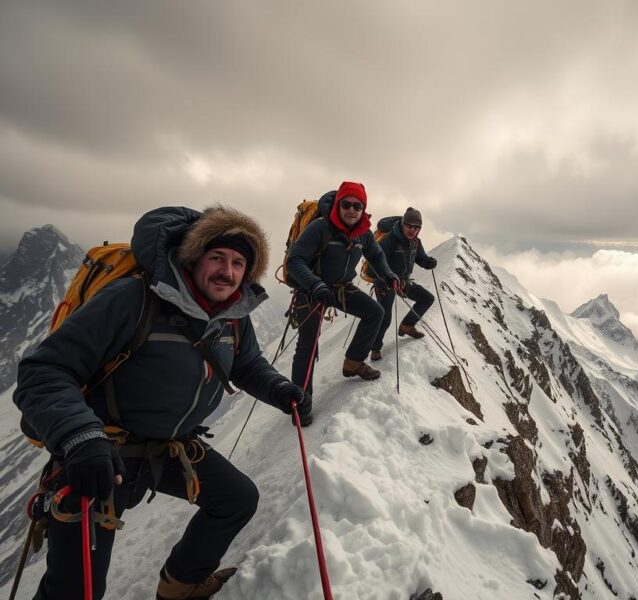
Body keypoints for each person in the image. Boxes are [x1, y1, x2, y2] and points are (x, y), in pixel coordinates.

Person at [14, 205, 311, 600]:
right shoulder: (134, 298)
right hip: (100, 456)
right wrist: (81, 438)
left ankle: (180, 586)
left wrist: (280, 389)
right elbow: (43, 371)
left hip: (170, 451)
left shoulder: (233, 315)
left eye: (239, 262)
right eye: (217, 257)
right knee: (76, 590)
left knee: (236, 499)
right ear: (194, 257)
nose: (228, 271)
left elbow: (247, 363)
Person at [285, 181, 399, 405]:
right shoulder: (320, 227)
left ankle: (353, 363)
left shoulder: (363, 233)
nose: (352, 211)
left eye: (358, 207)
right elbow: (295, 261)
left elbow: (375, 256)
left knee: (374, 312)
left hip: (339, 288)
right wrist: (315, 285)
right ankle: (301, 401)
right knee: (308, 344)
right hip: (311, 289)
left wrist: (388, 275)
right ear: (338, 204)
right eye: (346, 204)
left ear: (363, 209)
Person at [365, 207, 438, 361]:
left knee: (427, 298)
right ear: (403, 224)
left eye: (416, 227)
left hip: (402, 281)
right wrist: (388, 278)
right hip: (385, 283)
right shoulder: (389, 240)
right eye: (409, 226)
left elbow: (421, 259)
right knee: (385, 317)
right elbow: (373, 266)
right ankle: (375, 349)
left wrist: (429, 262)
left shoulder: (415, 242)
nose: (412, 230)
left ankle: (407, 326)